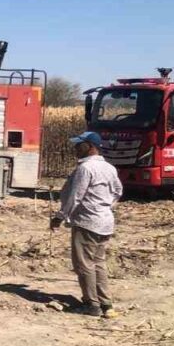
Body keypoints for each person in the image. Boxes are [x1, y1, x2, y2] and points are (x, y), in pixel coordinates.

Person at [50, 130, 123, 318]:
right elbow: (118, 191)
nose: (75, 148)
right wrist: (106, 206)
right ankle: (106, 303)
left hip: (87, 222)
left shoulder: (86, 168)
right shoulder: (109, 168)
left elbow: (75, 196)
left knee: (84, 264)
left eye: (79, 145)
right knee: (98, 262)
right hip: (104, 222)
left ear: (90, 147)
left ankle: (92, 304)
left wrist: (59, 217)